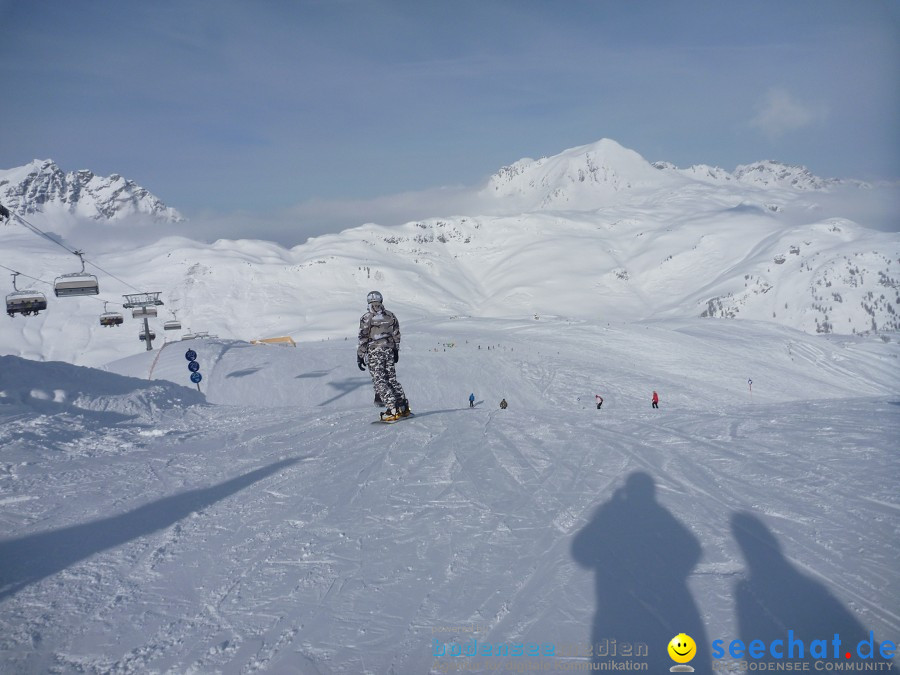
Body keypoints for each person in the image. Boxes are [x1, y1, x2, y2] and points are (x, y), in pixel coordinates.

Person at [357, 291, 410, 421]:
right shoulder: (390, 316)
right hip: (389, 350)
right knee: (391, 379)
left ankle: (392, 409)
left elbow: (363, 337)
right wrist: (395, 349)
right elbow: (396, 333)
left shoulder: (367, 317)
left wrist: (360, 355)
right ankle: (402, 407)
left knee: (379, 380)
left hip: (375, 351)